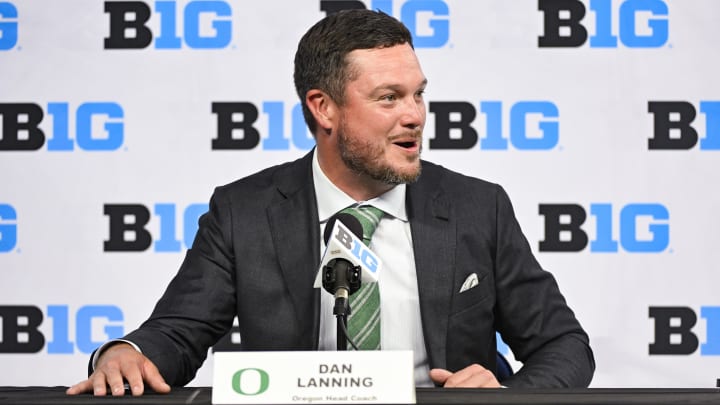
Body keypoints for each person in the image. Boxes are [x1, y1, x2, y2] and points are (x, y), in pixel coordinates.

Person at [67, 9, 594, 397]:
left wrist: (505, 396)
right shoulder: (244, 212)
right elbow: (177, 332)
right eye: (389, 98)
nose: (414, 116)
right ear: (323, 108)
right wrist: (125, 354)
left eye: (418, 94)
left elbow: (565, 346)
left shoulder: (478, 207)